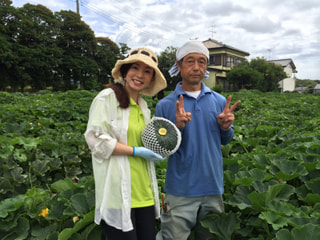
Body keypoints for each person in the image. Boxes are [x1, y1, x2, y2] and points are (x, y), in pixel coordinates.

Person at [155, 40, 241, 240]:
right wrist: (177, 127)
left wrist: (226, 127)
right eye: (190, 61)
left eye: (202, 62)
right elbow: (160, 149)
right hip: (179, 190)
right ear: (179, 65)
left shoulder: (219, 101)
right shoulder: (165, 105)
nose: (196, 67)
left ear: (206, 66)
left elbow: (226, 140)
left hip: (212, 187)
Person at [84, 47, 167, 240]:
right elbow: (95, 140)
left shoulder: (144, 107)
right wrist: (135, 151)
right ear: (125, 71)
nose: (140, 75)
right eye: (135, 68)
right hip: (117, 194)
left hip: (144, 192)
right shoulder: (107, 98)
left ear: (152, 78)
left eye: (147, 71)